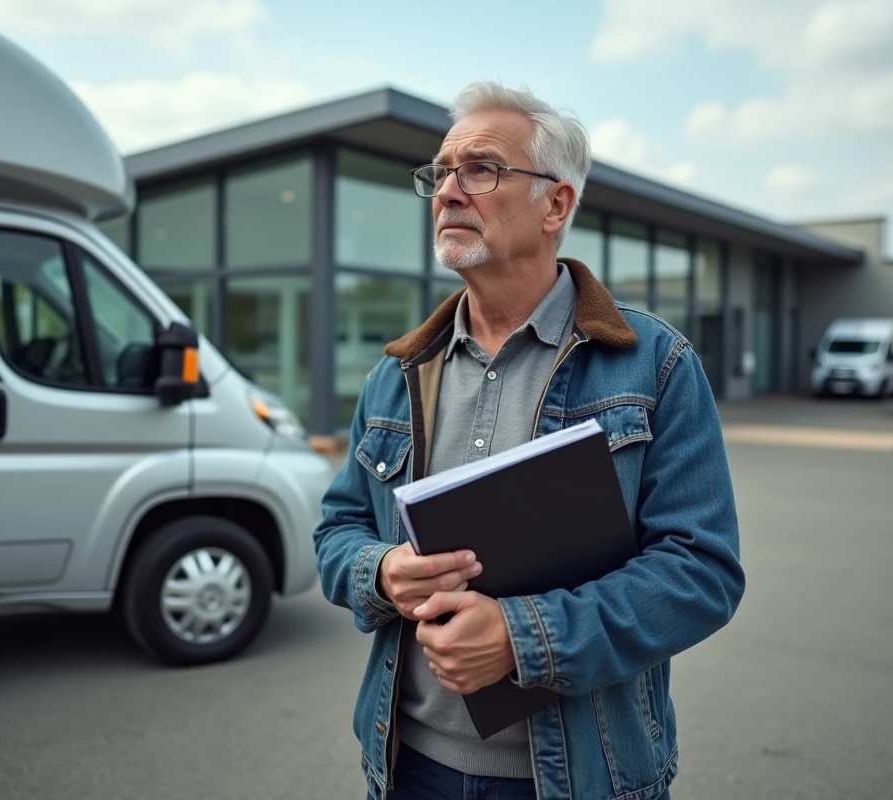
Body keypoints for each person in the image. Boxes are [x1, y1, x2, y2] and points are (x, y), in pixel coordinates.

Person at [313, 80, 745, 800]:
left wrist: (524, 636)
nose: (448, 191)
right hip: (405, 768)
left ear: (556, 205)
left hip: (582, 780)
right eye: (440, 172)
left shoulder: (654, 363)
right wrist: (381, 569)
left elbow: (701, 572)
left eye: (480, 168)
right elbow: (336, 531)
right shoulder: (400, 371)